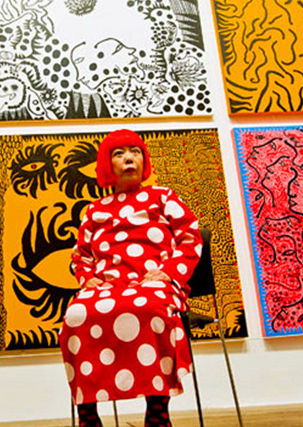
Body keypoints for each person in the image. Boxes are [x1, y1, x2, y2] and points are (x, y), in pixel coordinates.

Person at [59, 129, 202, 427]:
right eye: (119, 153)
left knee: (150, 308)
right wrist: (88, 279)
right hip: (107, 285)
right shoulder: (94, 210)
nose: (129, 158)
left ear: (144, 160)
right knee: (76, 314)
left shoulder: (163, 196)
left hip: (154, 282)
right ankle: (88, 414)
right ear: (106, 164)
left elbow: (190, 237)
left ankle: (157, 410)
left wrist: (168, 272)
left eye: (135, 152)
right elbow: (81, 255)